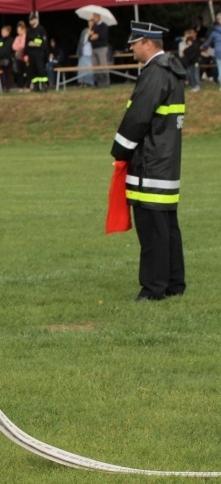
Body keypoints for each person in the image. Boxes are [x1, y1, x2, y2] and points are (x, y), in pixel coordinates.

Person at [111, 22, 186, 302]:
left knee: (152, 229)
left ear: (148, 43)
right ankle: (174, 283)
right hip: (167, 162)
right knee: (167, 227)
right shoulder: (173, 71)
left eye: (134, 43)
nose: (131, 49)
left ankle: (153, 289)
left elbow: (137, 118)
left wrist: (120, 151)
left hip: (150, 164)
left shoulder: (155, 73)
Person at [25, 12, 48, 91]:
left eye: (32, 19)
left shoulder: (41, 29)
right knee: (33, 70)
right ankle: (36, 86)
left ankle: (44, 85)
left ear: (36, 19)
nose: (30, 21)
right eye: (30, 20)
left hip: (39, 53)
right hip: (31, 53)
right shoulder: (29, 30)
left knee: (40, 69)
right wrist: (26, 54)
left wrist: (34, 42)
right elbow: (27, 42)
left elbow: (43, 42)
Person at [89, 12, 110, 88]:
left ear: (98, 17)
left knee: (103, 65)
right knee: (95, 67)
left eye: (94, 16)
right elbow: (89, 38)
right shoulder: (93, 26)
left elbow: (102, 35)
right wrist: (91, 33)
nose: (93, 18)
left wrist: (96, 36)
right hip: (94, 48)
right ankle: (98, 83)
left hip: (102, 48)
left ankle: (106, 83)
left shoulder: (104, 25)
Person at [200, 14, 221, 90]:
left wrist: (202, 47)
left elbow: (208, 42)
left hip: (219, 52)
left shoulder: (214, 32)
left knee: (220, 68)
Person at [76, 19, 95, 88]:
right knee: (82, 69)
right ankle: (81, 82)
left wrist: (91, 35)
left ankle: (89, 82)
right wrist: (87, 34)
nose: (91, 23)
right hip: (83, 52)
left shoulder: (95, 31)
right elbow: (82, 41)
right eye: (90, 22)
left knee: (89, 69)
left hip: (90, 53)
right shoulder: (84, 31)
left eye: (92, 22)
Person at [0, 25, 14, 91]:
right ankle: (2, 87)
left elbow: (10, 50)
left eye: (4, 31)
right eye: (2, 31)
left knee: (8, 74)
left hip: (8, 60)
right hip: (0, 60)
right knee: (1, 74)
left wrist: (9, 57)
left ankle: (8, 87)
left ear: (8, 32)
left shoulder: (11, 40)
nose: (2, 32)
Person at [13, 21, 28, 89]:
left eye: (19, 30)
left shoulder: (26, 36)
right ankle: (21, 86)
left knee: (26, 71)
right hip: (18, 57)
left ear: (23, 29)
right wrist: (19, 48)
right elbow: (13, 46)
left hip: (25, 56)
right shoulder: (17, 37)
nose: (18, 31)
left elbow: (23, 46)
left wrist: (18, 48)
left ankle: (27, 85)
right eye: (17, 30)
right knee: (19, 72)